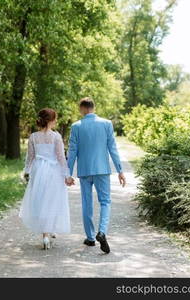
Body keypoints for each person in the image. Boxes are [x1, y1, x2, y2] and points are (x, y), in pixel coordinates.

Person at [67, 97, 126, 254]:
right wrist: (120, 170)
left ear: (83, 108)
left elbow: (72, 151)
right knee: (105, 202)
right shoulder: (106, 124)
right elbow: (112, 148)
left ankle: (91, 238)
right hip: (102, 170)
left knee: (87, 203)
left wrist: (68, 173)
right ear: (93, 107)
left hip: (85, 171)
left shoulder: (76, 126)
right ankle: (102, 231)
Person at [19, 108, 72, 250]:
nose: (56, 121)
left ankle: (46, 235)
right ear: (49, 120)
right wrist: (67, 175)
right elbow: (61, 158)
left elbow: (30, 158)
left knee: (41, 200)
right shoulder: (56, 137)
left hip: (38, 170)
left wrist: (27, 172)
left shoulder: (33, 137)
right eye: (54, 119)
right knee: (52, 200)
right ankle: (47, 233)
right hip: (53, 171)